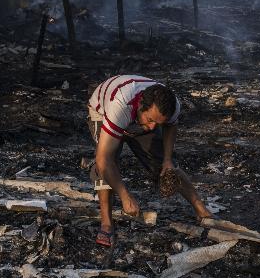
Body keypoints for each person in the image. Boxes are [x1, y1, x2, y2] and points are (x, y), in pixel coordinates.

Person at [88, 75, 211, 247]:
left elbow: (170, 126)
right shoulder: (121, 105)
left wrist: (167, 159)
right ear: (141, 106)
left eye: (158, 122)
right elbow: (104, 159)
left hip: (134, 114)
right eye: (151, 120)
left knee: (164, 166)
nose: (153, 127)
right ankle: (106, 223)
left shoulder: (171, 105)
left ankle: (201, 209)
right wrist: (125, 196)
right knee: (106, 166)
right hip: (103, 112)